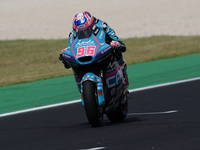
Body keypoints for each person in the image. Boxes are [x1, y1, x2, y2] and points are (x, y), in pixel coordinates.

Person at [59, 11, 129, 89]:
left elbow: (114, 37)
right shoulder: (73, 33)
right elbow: (70, 47)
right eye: (80, 30)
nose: (83, 32)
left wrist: (117, 43)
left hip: (102, 48)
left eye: (85, 29)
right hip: (85, 53)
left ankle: (123, 73)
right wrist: (66, 54)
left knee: (117, 50)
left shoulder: (102, 25)